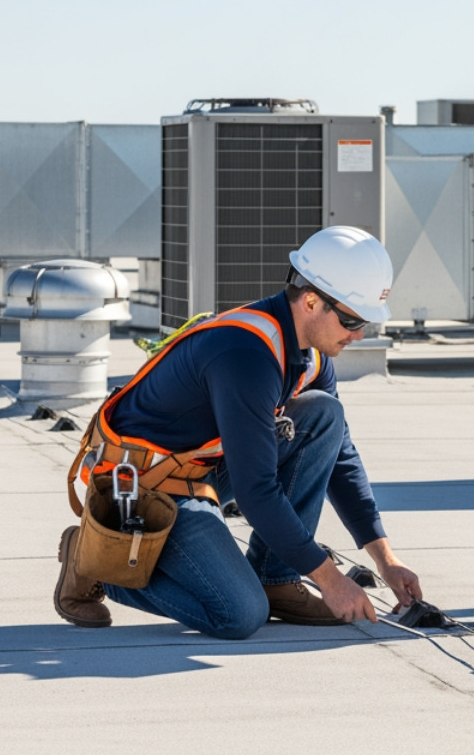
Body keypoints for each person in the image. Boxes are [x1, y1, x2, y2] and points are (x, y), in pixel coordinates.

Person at [54, 225, 422, 638]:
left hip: (198, 470)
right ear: (311, 301)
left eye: (367, 323)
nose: (358, 335)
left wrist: (385, 558)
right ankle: (97, 565)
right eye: (352, 320)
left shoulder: (309, 353)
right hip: (143, 488)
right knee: (240, 614)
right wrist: (329, 579)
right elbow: (256, 490)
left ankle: (275, 578)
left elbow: (339, 455)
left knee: (324, 416)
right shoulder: (246, 355)